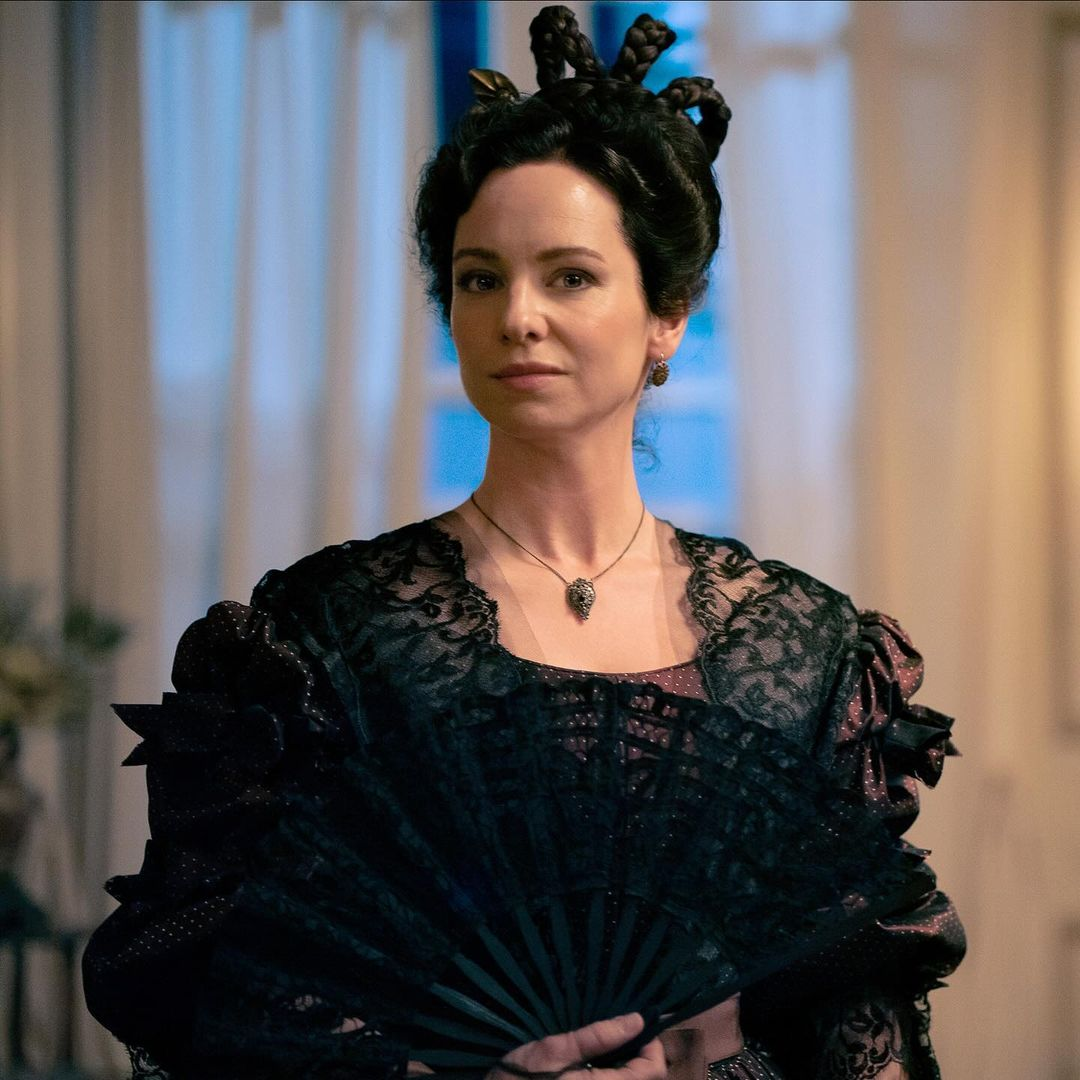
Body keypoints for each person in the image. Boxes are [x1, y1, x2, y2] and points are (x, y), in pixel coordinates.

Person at [82, 7, 965, 1080]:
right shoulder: (326, 638)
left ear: (669, 314)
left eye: (570, 275)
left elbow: (854, 1009)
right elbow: (232, 998)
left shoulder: (807, 651)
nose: (517, 317)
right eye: (480, 276)